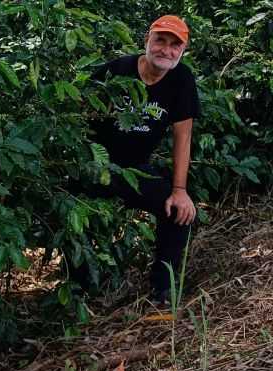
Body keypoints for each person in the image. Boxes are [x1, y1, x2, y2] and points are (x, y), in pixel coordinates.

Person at [89, 15, 200, 303]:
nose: (166, 50)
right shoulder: (116, 71)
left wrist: (179, 191)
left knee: (178, 210)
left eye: (175, 45)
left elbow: (183, 137)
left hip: (135, 169)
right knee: (78, 219)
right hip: (95, 166)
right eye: (160, 40)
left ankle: (164, 291)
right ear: (147, 41)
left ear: (183, 51)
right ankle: (81, 292)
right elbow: (78, 118)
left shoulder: (181, 79)